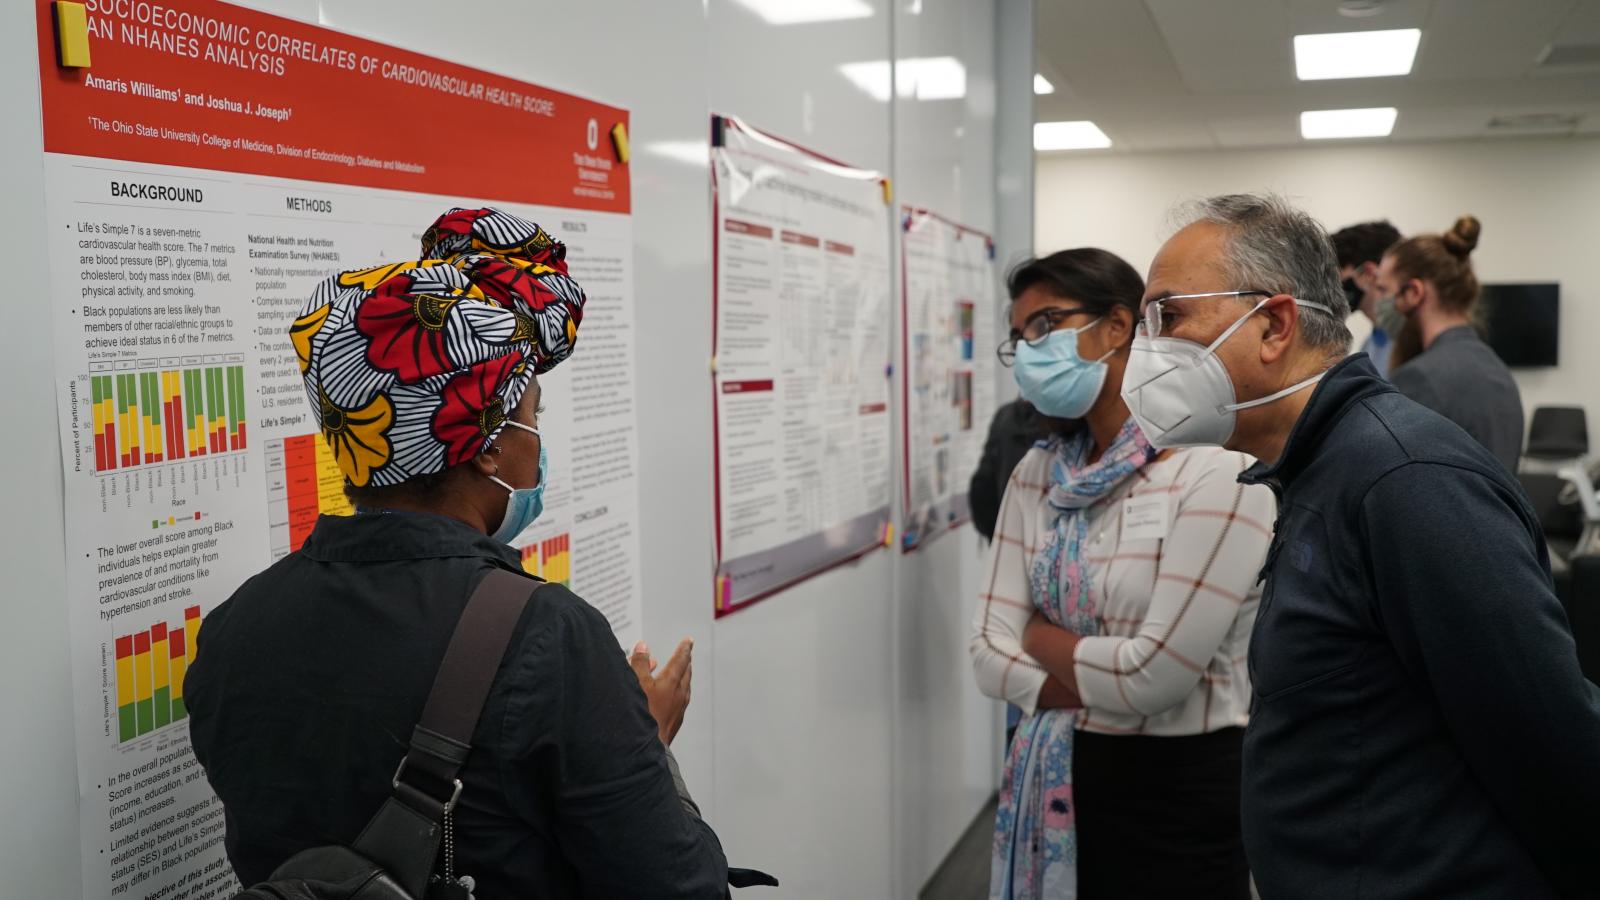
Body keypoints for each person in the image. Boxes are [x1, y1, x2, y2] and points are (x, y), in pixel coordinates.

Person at [187, 208, 729, 898]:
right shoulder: (548, 637)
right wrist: (644, 747)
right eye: (533, 415)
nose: (539, 439)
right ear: (491, 444)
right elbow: (684, 887)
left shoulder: (237, 627)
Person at [1126, 192, 1600, 899]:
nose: (1146, 350)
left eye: (1169, 315)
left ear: (1275, 325)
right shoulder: (1323, 467)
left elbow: (1552, 748)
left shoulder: (1405, 479)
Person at [968, 249, 1274, 900]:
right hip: (1057, 774)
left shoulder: (1216, 470)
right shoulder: (1039, 472)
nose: (1029, 349)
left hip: (1179, 791)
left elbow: (1155, 677)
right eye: (1020, 336)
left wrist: (1039, 638)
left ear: (1118, 327)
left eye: (1046, 324)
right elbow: (984, 656)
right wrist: (1101, 675)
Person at [1377, 216, 1525, 473]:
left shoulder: (1419, 378)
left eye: (1383, 290)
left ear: (1413, 293)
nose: (1379, 304)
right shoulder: (1496, 368)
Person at [1329, 220, 1401, 375]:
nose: (1329, 289)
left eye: (1334, 276)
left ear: (1368, 274)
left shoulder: (1412, 344)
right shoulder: (1368, 349)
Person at [969, 398, 1044, 542]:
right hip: (1048, 544)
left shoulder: (1004, 416)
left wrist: (996, 536)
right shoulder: (1065, 423)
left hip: (1008, 537)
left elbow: (982, 487)